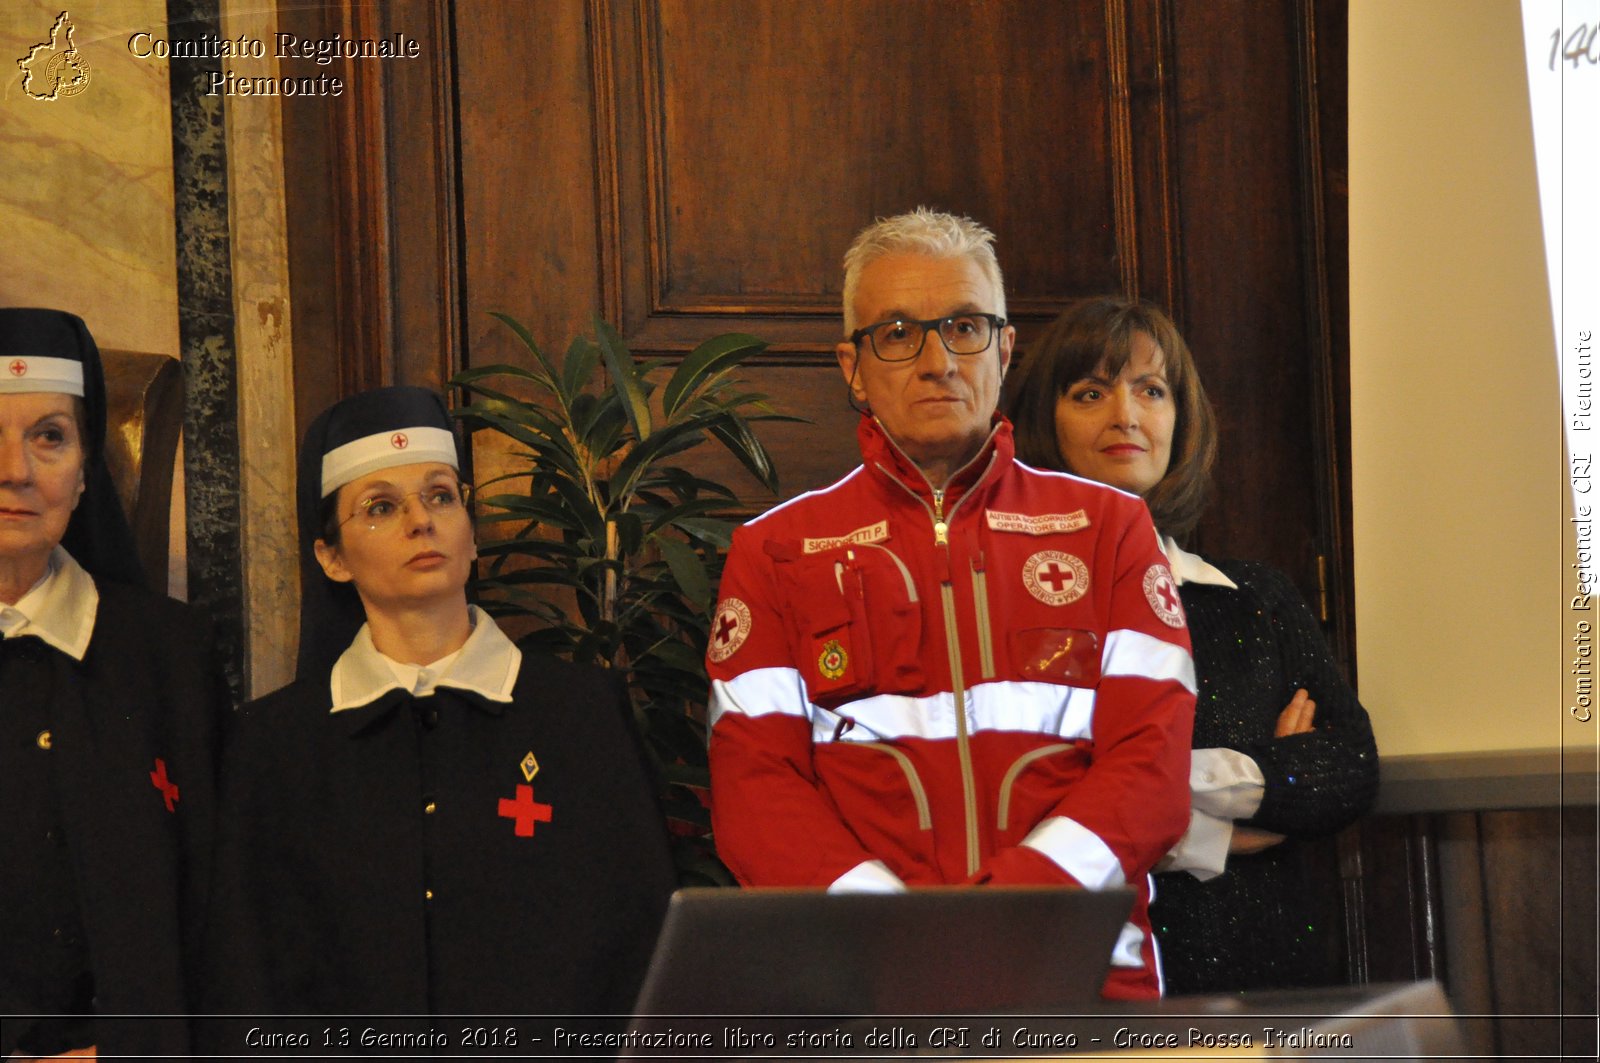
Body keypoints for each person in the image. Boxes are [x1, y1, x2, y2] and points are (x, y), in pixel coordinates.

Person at [706, 209, 1197, 1000]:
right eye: (898, 333)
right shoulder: (774, 550)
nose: (938, 360)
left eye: (965, 326)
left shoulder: (1110, 528)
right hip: (869, 989)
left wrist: (1008, 915)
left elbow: (1151, 767)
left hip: (1084, 983)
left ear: (1005, 349)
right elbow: (755, 793)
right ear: (853, 367)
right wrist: (901, 937)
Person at [201, 386, 675, 1018]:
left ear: (472, 536)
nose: (420, 521)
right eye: (380, 507)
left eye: (440, 496)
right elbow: (245, 980)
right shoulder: (273, 746)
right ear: (332, 559)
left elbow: (645, 947)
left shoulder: (582, 714)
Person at [1006, 295, 1379, 994]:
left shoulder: (1255, 595)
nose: (1127, 413)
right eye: (1091, 392)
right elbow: (1028, 793)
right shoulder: (1008, 598)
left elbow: (1349, 764)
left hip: (1267, 977)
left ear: (1181, 420)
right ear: (1043, 423)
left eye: (1152, 389)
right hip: (1089, 982)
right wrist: (1226, 818)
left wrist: (1146, 799)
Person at [1, 307, 223, 1057]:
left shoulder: (171, 654)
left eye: (49, 436)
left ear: (88, 467)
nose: (15, 469)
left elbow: (216, 910)